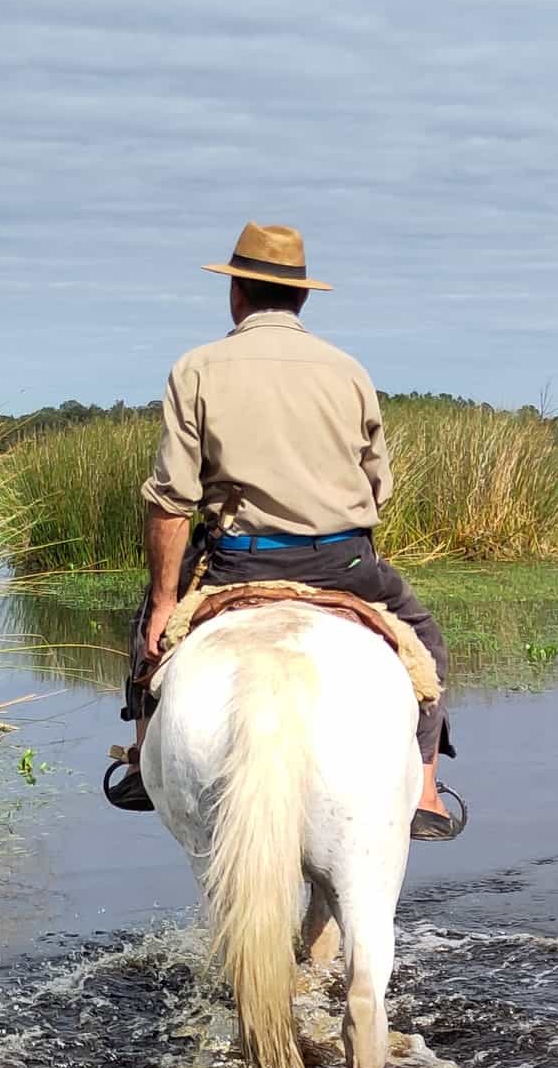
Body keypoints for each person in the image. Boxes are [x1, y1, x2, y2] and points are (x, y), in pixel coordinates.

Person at [104, 221, 464, 841]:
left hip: (235, 565)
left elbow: (170, 501)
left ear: (236, 292)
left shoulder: (196, 369)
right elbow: (379, 485)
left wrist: (164, 603)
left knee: (148, 637)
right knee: (425, 644)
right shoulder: (348, 370)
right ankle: (426, 788)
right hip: (342, 565)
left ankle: (145, 761)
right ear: (300, 297)